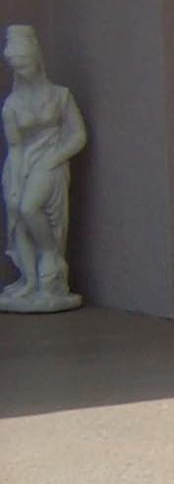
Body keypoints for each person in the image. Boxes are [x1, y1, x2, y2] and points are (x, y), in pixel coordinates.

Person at [2, 24, 88, 313]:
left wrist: (55, 157)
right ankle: (30, 280)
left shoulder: (60, 95)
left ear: (36, 58)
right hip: (21, 165)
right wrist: (14, 184)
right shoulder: (11, 105)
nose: (21, 69)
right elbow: (14, 148)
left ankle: (51, 257)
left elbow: (78, 135)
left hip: (50, 163)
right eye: (16, 65)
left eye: (25, 62)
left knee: (29, 209)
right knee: (19, 219)